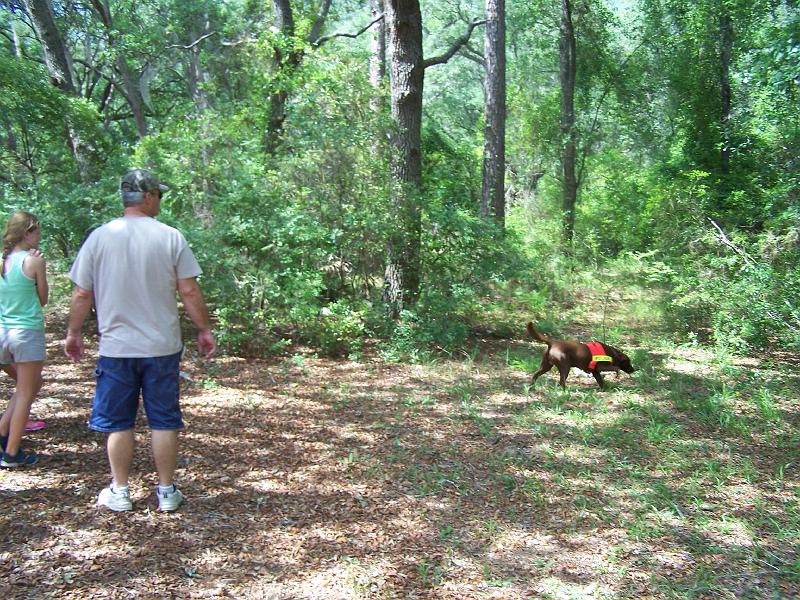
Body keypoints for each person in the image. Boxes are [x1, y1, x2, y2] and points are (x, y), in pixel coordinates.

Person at [65, 169, 216, 512]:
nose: (160, 200)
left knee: (119, 420)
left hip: (116, 348)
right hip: (161, 345)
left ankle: (120, 491)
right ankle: (166, 491)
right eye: (159, 195)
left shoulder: (100, 238)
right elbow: (189, 290)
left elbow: (82, 293)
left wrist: (74, 333)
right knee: (164, 418)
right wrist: (203, 329)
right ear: (148, 197)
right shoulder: (170, 237)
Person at [0, 211, 48, 468]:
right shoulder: (33, 261)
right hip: (26, 332)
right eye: (37, 232)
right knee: (26, 393)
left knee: (28, 386)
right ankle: (11, 453)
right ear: (27, 233)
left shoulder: (2, 260)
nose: (39, 237)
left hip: (3, 332)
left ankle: (3, 430)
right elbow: (43, 298)